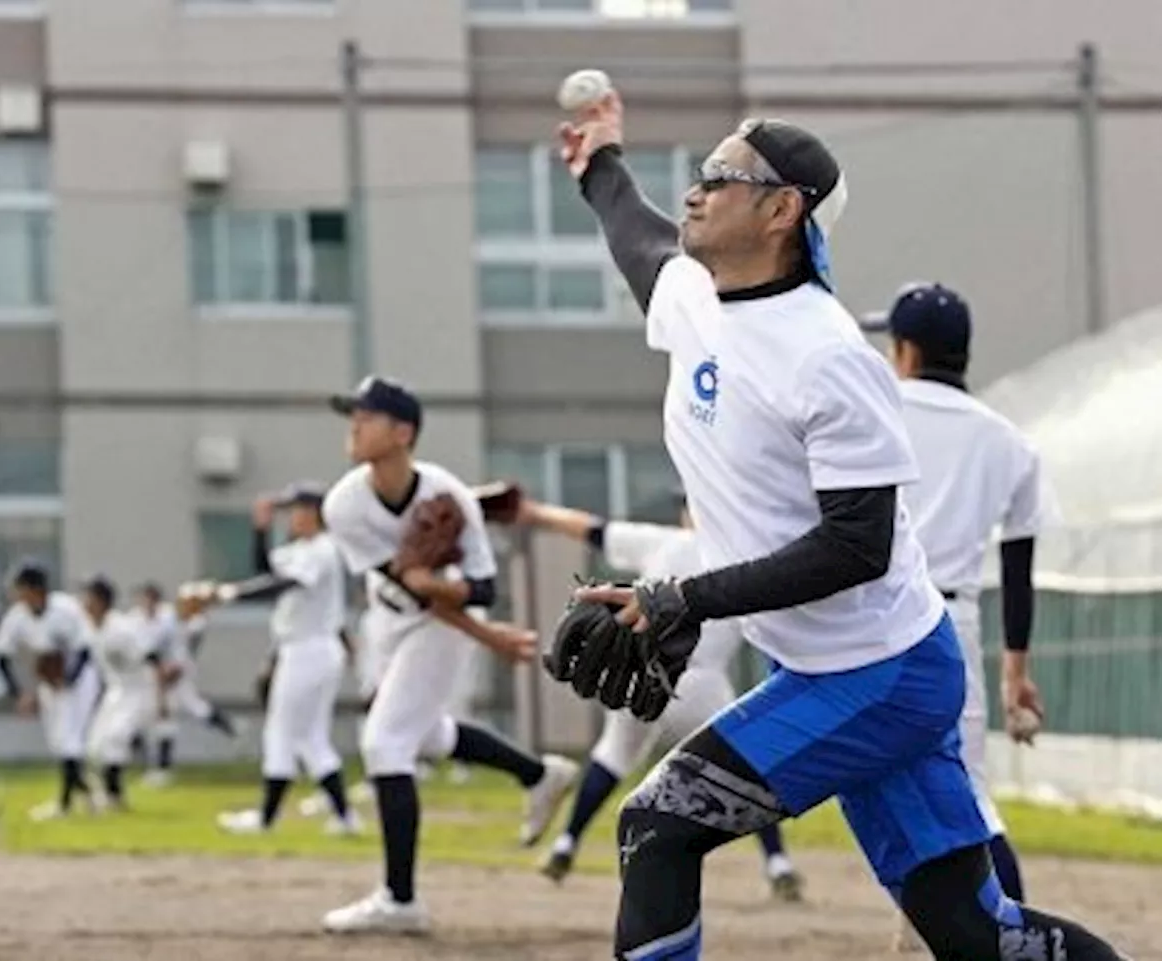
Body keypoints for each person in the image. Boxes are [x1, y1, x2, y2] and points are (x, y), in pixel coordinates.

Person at [552, 86, 1131, 960]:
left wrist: (687, 598)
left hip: (880, 674)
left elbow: (856, 545)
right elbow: (635, 234)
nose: (698, 187)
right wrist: (600, 158)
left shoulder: (827, 356)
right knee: (982, 937)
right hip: (851, 664)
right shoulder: (695, 300)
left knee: (659, 825)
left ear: (785, 209)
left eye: (725, 174)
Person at [319, 374, 577, 935]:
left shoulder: (450, 495)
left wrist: (450, 597)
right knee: (427, 734)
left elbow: (482, 588)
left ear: (402, 432)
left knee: (385, 743)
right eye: (353, 415)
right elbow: (406, 588)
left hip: (444, 624)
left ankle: (400, 900)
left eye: (366, 416)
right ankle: (538, 774)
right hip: (394, 618)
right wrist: (470, 619)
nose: (354, 425)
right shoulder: (344, 505)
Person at [514, 490, 802, 899]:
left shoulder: (666, 543)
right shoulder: (746, 558)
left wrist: (532, 512)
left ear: (690, 513)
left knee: (611, 757)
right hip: (705, 686)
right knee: (745, 767)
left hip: (645, 673)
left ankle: (566, 843)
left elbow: (593, 529)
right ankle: (778, 863)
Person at [878, 282, 1051, 950]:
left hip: (870, 613)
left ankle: (991, 939)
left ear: (907, 351)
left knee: (881, 783)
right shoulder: (1007, 440)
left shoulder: (878, 404)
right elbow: (1017, 565)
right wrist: (1016, 677)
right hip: (953, 622)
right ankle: (963, 932)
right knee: (965, 793)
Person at [215, 482, 360, 836]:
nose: (291, 516)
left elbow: (282, 586)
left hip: (309, 648)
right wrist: (260, 530)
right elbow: (265, 569)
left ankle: (267, 819)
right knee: (311, 738)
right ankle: (345, 818)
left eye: (297, 509)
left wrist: (229, 594)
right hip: (307, 648)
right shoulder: (301, 549)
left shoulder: (322, 550)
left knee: (281, 732)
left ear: (314, 514)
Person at [0, 560, 103, 821]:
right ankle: (89, 793)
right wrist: (18, 693)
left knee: (70, 738)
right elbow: (1, 656)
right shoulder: (17, 616)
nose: (17, 595)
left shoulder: (67, 609)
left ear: (36, 588)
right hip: (51, 680)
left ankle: (64, 806)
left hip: (81, 677)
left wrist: (70, 679)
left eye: (21, 588)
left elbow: (85, 647)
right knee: (58, 741)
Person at [132, 582, 239, 788]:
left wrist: (171, 671)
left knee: (180, 713)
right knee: (146, 718)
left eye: (151, 600)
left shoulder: (168, 618)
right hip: (151, 675)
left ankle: (162, 769)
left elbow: (182, 644)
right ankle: (149, 764)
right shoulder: (137, 621)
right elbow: (147, 654)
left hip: (174, 674)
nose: (147, 605)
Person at [83, 575, 173, 812]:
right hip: (117, 689)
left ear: (102, 601)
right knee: (95, 743)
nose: (85, 604)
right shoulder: (92, 627)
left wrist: (161, 698)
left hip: (140, 689)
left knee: (116, 738)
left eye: (89, 598)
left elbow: (152, 658)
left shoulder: (121, 629)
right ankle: (99, 795)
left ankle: (114, 797)